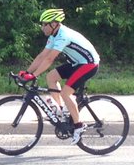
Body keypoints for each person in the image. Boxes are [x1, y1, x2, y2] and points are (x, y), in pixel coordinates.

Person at [18, 8, 100, 144]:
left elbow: (49, 59)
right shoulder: (53, 35)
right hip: (77, 63)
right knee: (51, 77)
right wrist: (28, 72)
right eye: (42, 24)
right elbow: (42, 56)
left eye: (45, 24)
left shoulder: (63, 35)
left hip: (89, 64)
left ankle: (79, 126)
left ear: (54, 24)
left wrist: (34, 76)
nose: (42, 27)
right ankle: (61, 113)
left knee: (66, 93)